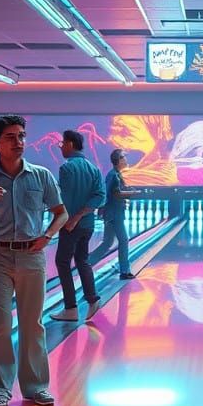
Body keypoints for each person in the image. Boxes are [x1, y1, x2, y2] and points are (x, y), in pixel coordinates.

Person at [0, 115, 68, 406]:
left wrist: (47, 236)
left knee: (32, 324)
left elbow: (61, 213)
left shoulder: (41, 176)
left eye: (21, 136)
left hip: (31, 255)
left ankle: (36, 388)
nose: (19, 142)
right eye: (10, 137)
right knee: (0, 323)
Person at [51, 129, 106, 323]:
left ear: (70, 144)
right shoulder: (94, 168)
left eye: (62, 144)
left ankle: (71, 308)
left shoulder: (67, 168)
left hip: (70, 226)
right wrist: (83, 214)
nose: (61, 148)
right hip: (88, 225)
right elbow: (100, 196)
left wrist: (67, 220)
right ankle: (92, 299)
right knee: (82, 260)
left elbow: (63, 199)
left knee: (62, 262)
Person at [90, 148, 141, 280]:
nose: (126, 160)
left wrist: (128, 191)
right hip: (114, 214)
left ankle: (87, 263)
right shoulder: (113, 175)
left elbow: (116, 192)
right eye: (124, 158)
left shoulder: (116, 174)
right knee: (123, 240)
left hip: (114, 213)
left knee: (107, 242)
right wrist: (133, 193)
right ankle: (124, 271)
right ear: (119, 160)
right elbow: (115, 193)